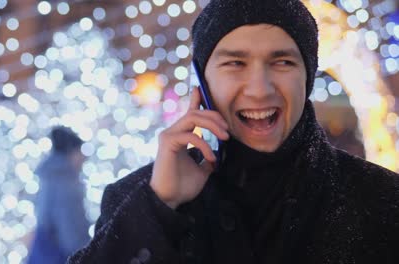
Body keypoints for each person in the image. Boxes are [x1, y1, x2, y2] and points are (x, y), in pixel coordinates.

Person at [69, 0, 399, 263]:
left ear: (308, 77)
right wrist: (159, 206)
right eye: (235, 64)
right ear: (203, 81)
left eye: (282, 62)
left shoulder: (382, 199)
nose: (259, 89)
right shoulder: (136, 199)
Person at [27, 126, 91, 264]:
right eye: (80, 152)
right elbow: (71, 236)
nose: (83, 158)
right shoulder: (65, 184)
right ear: (71, 153)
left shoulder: (50, 179)